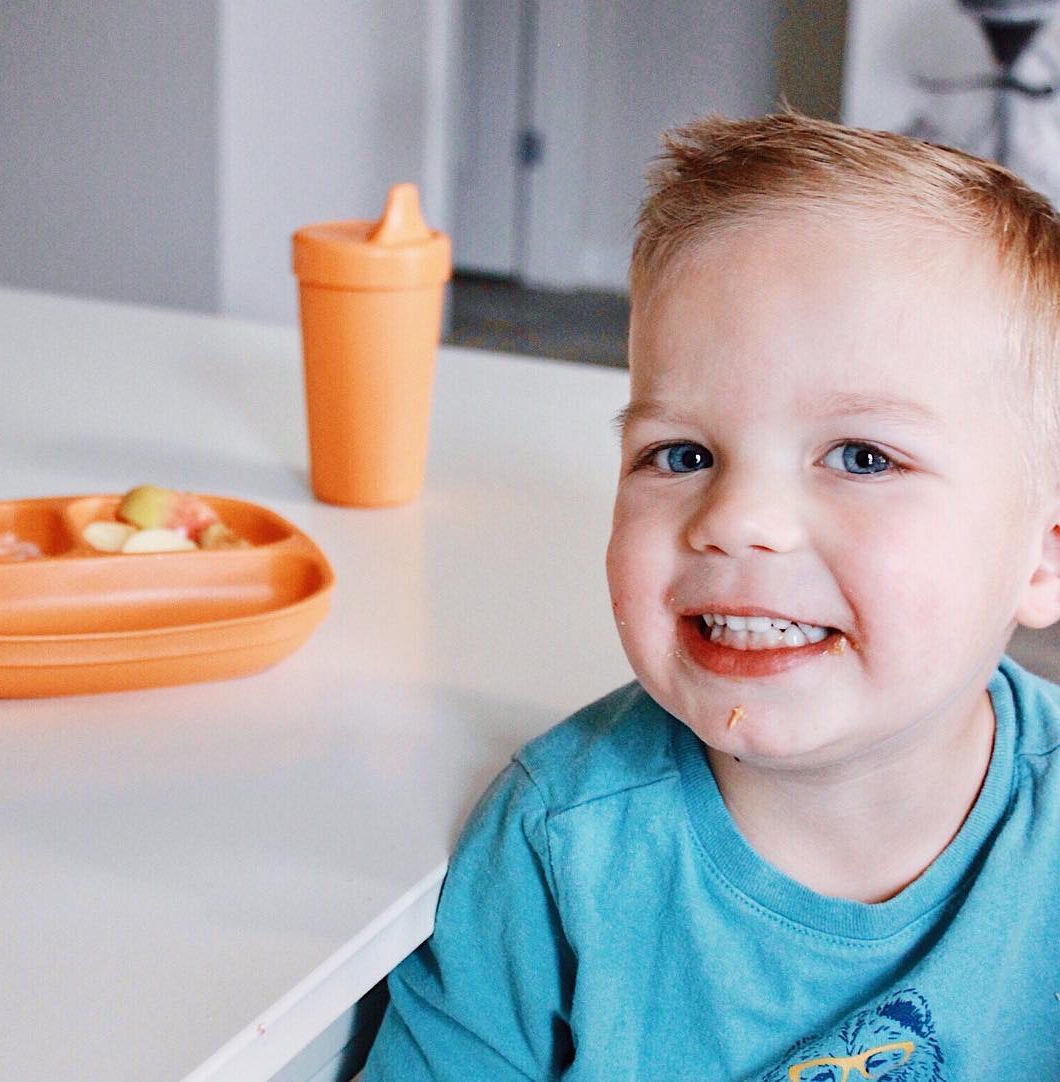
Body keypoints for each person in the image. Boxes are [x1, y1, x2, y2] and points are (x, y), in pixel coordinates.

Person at [362, 111, 1060, 1079]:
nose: (737, 516)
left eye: (861, 456)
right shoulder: (559, 844)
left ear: (1045, 555)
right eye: (681, 454)